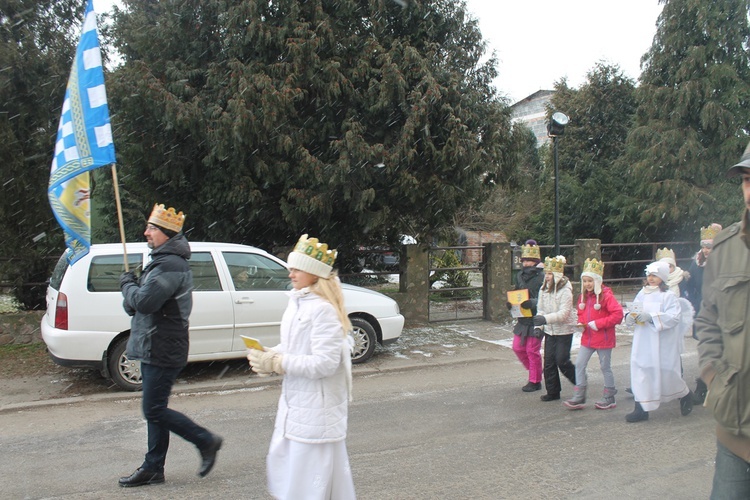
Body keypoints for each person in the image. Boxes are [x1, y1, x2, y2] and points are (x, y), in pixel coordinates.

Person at [118, 204, 223, 487]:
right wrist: (133, 291)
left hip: (163, 346)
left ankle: (205, 440)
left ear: (166, 233)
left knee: (153, 410)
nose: (146, 233)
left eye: (151, 228)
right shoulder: (160, 261)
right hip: (155, 343)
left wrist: (127, 285)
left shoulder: (170, 265)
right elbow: (137, 307)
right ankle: (153, 468)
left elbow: (143, 302)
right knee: (156, 409)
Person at [247, 234, 356, 500]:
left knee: (310, 483)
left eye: (296, 268)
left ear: (313, 272)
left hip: (317, 411)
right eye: (290, 268)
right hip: (297, 405)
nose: (290, 273)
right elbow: (294, 346)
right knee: (292, 474)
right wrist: (270, 353)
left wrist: (278, 363)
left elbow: (325, 363)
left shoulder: (324, 310)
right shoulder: (298, 301)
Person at [696, 142, 750, 499]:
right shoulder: (727, 247)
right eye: (747, 179)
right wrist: (715, 377)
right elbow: (707, 319)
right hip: (736, 430)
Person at [624, 261, 694, 423]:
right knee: (641, 370)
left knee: (667, 374)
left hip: (661, 342)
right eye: (649, 275)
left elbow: (674, 317)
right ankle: (641, 409)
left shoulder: (668, 296)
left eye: (655, 275)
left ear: (662, 277)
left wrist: (653, 317)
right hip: (643, 340)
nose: (651, 278)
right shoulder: (642, 293)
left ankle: (685, 394)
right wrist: (631, 317)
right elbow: (635, 310)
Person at [563, 258, 624, 410]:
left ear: (597, 281)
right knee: (579, 365)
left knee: (605, 367)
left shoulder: (606, 296)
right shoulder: (583, 297)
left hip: (603, 338)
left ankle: (609, 396)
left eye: (590, 281)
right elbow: (582, 314)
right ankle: (579, 395)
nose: (587, 284)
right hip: (588, 338)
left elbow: (617, 315)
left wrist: (598, 324)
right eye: (584, 281)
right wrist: (581, 324)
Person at [684, 223, 722, 404]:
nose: (706, 250)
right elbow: (690, 287)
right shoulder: (696, 263)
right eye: (704, 246)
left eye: (710, 246)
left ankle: (709, 386)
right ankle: (706, 386)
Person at [533, 255, 577, 402]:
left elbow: (564, 314)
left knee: (562, 360)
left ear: (557, 274)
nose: (547, 276)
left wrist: (545, 319)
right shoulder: (543, 289)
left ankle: (579, 381)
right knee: (549, 362)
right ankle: (553, 391)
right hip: (550, 330)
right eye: (546, 273)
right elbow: (541, 309)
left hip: (564, 330)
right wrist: (539, 326)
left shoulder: (565, 290)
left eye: (550, 274)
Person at [508, 240, 546, 392]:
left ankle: (535, 381)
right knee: (517, 348)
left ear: (536, 261)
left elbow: (545, 298)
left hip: (536, 319)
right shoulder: (519, 276)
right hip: (523, 318)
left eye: (530, 260)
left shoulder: (542, 277)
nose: (527, 263)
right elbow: (517, 293)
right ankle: (535, 371)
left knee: (532, 350)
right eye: (525, 260)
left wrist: (533, 303)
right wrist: (511, 304)